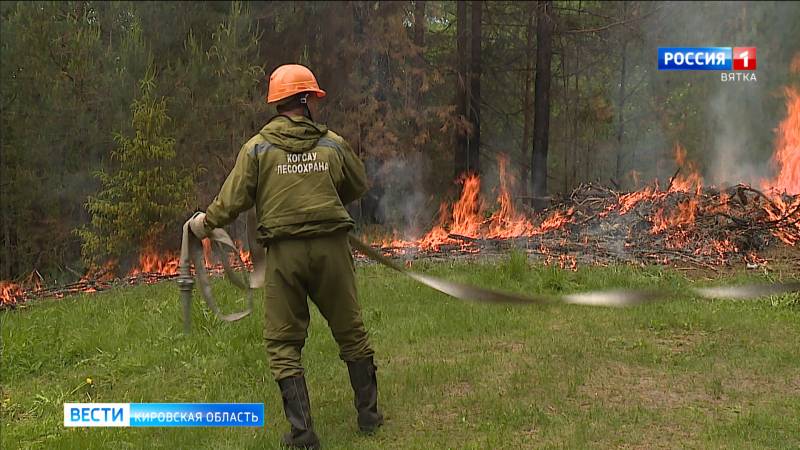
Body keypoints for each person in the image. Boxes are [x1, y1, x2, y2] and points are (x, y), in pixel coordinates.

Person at [188, 64, 382, 449]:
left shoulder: (257, 149)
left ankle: (303, 434)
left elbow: (232, 201)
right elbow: (358, 185)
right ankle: (369, 416)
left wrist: (203, 224)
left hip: (284, 255)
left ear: (277, 103)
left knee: (283, 343)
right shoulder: (333, 144)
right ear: (307, 100)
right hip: (332, 252)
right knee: (350, 331)